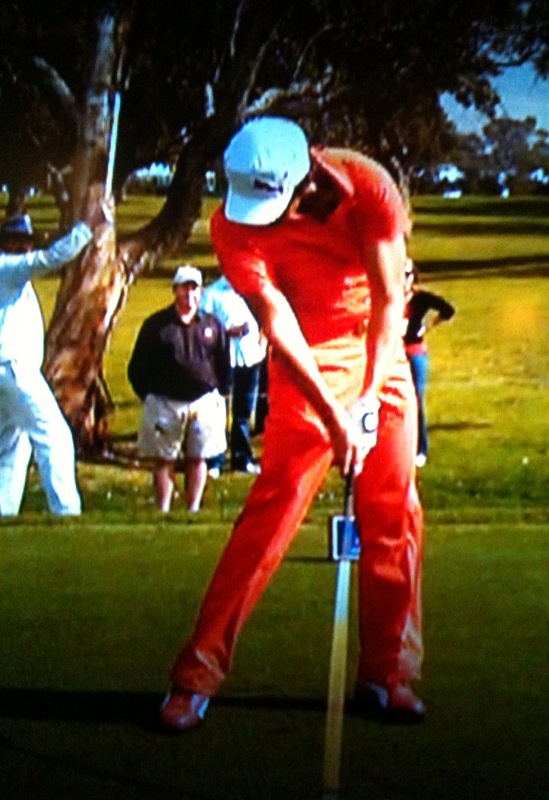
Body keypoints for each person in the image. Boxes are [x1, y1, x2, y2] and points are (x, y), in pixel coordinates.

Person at [160, 116, 424, 730]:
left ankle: (388, 676)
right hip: (307, 354)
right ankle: (194, 677)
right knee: (272, 513)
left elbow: (390, 302)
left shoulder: (369, 188)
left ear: (306, 171)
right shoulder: (231, 224)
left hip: (377, 345)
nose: (263, 216)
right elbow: (276, 321)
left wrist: (365, 402)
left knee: (395, 514)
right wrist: (336, 416)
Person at [0, 209, 103, 516]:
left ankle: (4, 512)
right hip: (12, 367)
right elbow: (48, 259)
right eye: (17, 241)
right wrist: (86, 229)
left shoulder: (17, 280)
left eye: (27, 241)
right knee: (54, 435)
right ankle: (67, 511)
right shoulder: (7, 268)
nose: (25, 248)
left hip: (13, 369)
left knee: (13, 443)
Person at [127, 265, 230, 512]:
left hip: (203, 402)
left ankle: (193, 508)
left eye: (194, 289)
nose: (189, 295)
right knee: (164, 459)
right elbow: (137, 367)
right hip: (166, 402)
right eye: (184, 288)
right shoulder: (157, 326)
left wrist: (221, 391)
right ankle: (163, 509)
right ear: (175, 290)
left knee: (198, 457)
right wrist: (149, 395)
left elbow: (223, 361)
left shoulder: (212, 325)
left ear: (201, 292)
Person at [200, 274, 266, 475]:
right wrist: (228, 332)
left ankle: (242, 458)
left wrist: (261, 344)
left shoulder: (253, 289)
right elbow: (203, 328)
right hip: (225, 358)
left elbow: (267, 316)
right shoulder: (212, 294)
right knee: (220, 410)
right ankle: (215, 460)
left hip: (251, 357)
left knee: (244, 410)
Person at [403, 259, 455, 467]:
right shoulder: (390, 296)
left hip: (415, 353)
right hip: (395, 355)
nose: (403, 279)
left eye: (407, 275)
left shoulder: (421, 299)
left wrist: (429, 326)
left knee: (417, 399)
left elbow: (448, 310)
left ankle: (420, 448)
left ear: (413, 278)